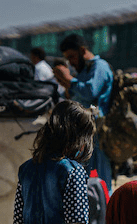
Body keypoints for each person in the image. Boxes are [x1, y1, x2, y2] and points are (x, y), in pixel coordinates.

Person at [55, 34, 114, 191]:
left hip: (98, 130)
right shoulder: (84, 71)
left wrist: (69, 79)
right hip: (85, 131)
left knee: (100, 175)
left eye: (72, 57)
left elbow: (90, 91)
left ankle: (104, 210)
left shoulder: (100, 66)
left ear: (82, 50)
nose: (72, 62)